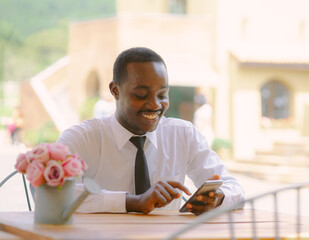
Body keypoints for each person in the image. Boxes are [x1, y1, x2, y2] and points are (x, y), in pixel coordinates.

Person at [57, 47, 245, 215]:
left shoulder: (183, 135)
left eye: (162, 95)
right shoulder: (81, 139)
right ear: (115, 91)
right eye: (141, 95)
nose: (155, 104)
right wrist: (132, 202)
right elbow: (56, 193)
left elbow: (234, 188)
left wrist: (217, 198)